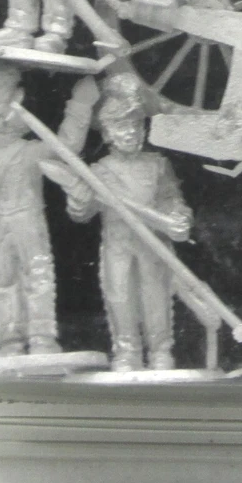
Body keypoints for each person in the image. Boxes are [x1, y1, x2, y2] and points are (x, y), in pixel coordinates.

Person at [0, 63, 99, 355]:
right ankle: (10, 339)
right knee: (4, 279)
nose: (21, 109)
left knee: (37, 275)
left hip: (29, 221)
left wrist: (81, 104)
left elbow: (67, 147)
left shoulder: (30, 151)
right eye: (12, 104)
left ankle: (41, 336)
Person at [65, 76, 193, 373]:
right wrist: (78, 203)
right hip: (118, 245)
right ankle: (127, 351)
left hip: (153, 244)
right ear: (107, 132)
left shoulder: (157, 164)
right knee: (119, 296)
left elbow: (171, 199)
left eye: (136, 125)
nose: (131, 132)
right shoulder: (99, 171)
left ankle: (161, 351)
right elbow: (82, 213)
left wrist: (179, 217)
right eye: (122, 126)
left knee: (155, 296)